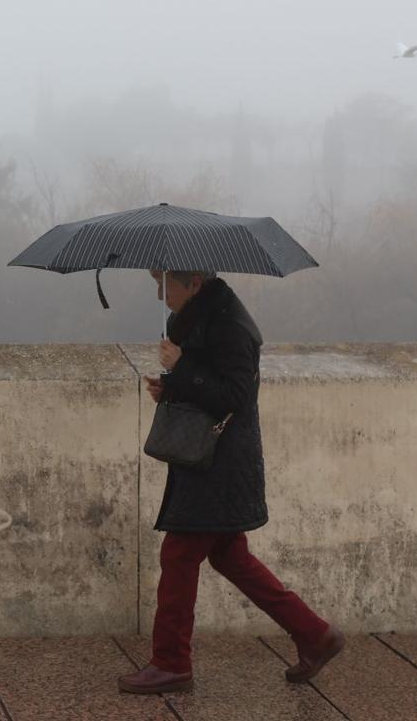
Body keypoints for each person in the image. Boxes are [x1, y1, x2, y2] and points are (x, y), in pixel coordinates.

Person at [118, 270, 344, 695]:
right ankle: (314, 634)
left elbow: (234, 395)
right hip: (210, 462)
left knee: (180, 556)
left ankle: (171, 663)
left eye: (164, 283)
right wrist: (168, 388)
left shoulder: (231, 326)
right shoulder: (201, 318)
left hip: (219, 467)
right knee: (230, 557)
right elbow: (208, 385)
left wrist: (181, 366)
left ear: (194, 283)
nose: (159, 292)